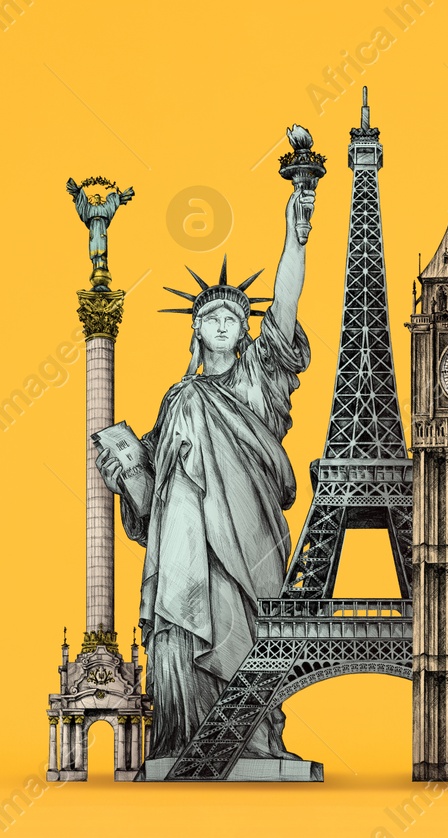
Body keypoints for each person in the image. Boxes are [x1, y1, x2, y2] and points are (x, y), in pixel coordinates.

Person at [97, 187, 316, 761]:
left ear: (247, 329)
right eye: (210, 316)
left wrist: (296, 238)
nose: (222, 321)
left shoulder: (260, 379)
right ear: (194, 329)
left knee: (249, 637)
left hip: (249, 538)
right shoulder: (179, 398)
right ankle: (187, 738)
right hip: (185, 545)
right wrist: (126, 468)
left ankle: (256, 739)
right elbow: (156, 493)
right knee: (184, 625)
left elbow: (286, 310)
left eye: (234, 316)